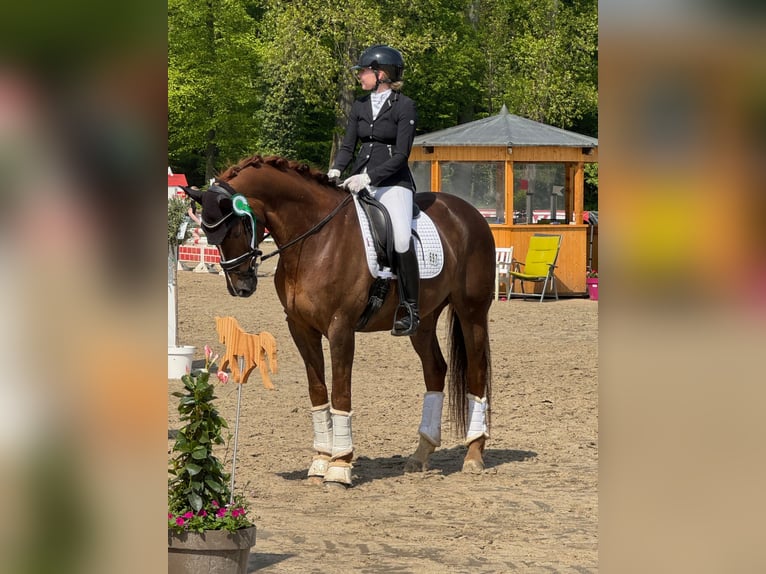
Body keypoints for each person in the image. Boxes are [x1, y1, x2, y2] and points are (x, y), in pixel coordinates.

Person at [328, 45, 420, 336]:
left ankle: (410, 307)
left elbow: (401, 155)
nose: (360, 77)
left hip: (393, 183)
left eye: (364, 72)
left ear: (381, 74)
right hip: (357, 180)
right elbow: (347, 147)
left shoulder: (404, 106)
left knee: (402, 239)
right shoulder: (359, 106)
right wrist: (335, 170)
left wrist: (370, 177)